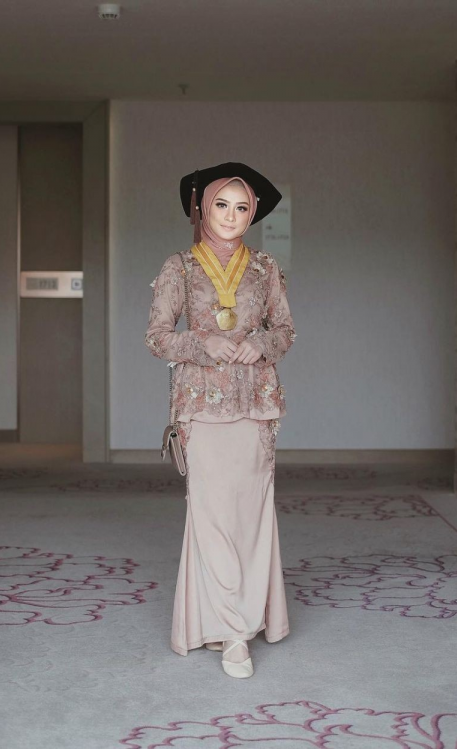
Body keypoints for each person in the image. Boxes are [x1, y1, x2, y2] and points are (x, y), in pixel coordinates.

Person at [144, 162, 296, 678]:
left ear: (252, 214)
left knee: (249, 515)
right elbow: (157, 336)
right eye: (221, 205)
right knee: (210, 515)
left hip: (255, 403)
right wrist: (201, 343)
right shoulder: (180, 268)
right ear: (203, 209)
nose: (231, 216)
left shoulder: (266, 268)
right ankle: (233, 632)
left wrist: (261, 343)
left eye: (241, 207)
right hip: (202, 406)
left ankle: (231, 621)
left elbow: (286, 331)